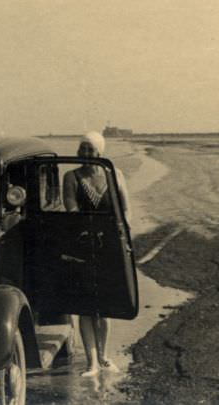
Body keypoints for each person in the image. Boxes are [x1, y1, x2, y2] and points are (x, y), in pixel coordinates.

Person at [62, 131, 130, 377]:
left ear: (100, 151)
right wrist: (85, 231)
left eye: (91, 149)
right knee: (85, 306)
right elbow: (72, 208)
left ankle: (104, 357)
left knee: (105, 306)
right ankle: (90, 363)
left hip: (110, 247)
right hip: (83, 247)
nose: (86, 154)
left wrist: (123, 241)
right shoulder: (71, 177)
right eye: (82, 149)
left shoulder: (115, 174)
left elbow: (125, 211)